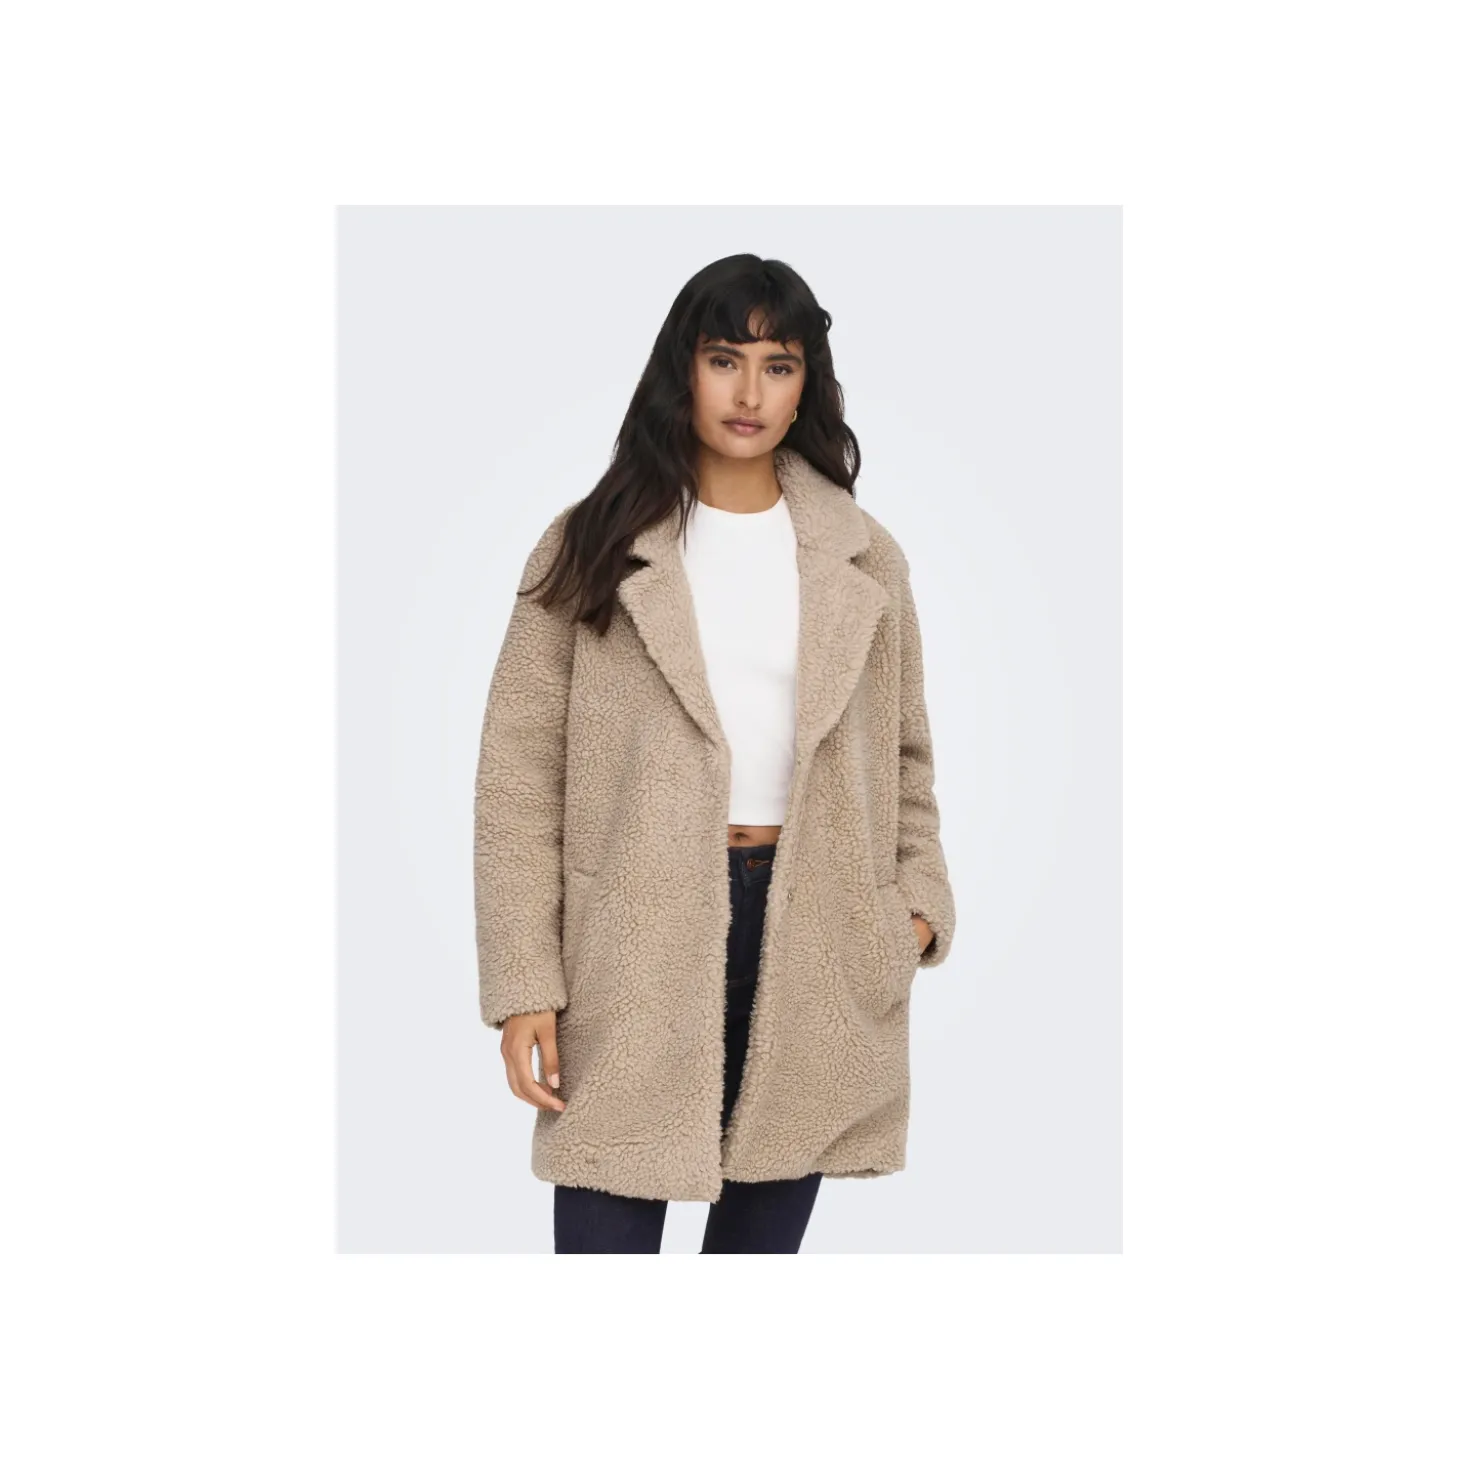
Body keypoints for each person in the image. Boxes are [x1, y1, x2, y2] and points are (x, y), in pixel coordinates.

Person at [474, 254, 956, 1253]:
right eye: (723, 359)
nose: (749, 394)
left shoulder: (864, 555)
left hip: (817, 933)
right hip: (631, 939)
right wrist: (525, 981)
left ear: (806, 384)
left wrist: (909, 914)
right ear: (681, 371)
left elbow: (905, 756)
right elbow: (517, 780)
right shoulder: (593, 543)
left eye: (778, 366)